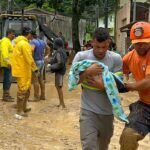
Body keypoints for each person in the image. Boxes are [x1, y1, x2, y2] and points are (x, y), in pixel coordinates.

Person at [72, 27, 123, 150]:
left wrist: (103, 86)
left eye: (104, 47)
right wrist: (86, 72)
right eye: (97, 47)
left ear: (108, 42)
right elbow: (72, 82)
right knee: (89, 146)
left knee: (103, 147)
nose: (100, 51)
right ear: (92, 42)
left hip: (107, 113)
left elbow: (120, 87)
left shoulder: (116, 59)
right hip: (88, 111)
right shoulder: (81, 57)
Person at [120, 22, 150, 150]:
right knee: (128, 135)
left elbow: (148, 82)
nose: (141, 46)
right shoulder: (129, 57)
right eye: (138, 43)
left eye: (145, 42)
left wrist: (127, 86)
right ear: (132, 42)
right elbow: (115, 71)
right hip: (145, 105)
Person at [11, 27, 38, 119]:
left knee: (27, 89)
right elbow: (29, 58)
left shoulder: (19, 43)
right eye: (32, 35)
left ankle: (24, 108)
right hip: (23, 70)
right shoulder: (24, 44)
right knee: (23, 90)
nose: (32, 37)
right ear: (29, 34)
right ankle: (19, 111)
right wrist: (35, 68)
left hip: (22, 69)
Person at [30, 32, 50, 101]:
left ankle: (36, 97)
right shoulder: (42, 41)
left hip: (36, 62)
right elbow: (48, 48)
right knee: (41, 79)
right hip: (42, 61)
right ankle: (43, 95)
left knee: (35, 80)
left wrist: (31, 58)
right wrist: (46, 55)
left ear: (32, 36)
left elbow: (32, 49)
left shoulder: (33, 42)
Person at [48, 38, 67, 109]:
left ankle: (62, 104)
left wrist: (51, 67)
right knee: (58, 87)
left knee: (59, 87)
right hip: (61, 71)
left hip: (59, 71)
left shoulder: (59, 52)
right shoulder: (62, 51)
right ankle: (61, 103)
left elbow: (60, 63)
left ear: (57, 44)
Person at [0, 29, 15, 102]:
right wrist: (8, 62)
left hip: (9, 64)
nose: (14, 36)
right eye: (12, 34)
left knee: (8, 80)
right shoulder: (5, 41)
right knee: (7, 80)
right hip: (6, 64)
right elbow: (4, 52)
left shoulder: (8, 41)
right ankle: (5, 96)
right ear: (9, 34)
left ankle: (7, 95)